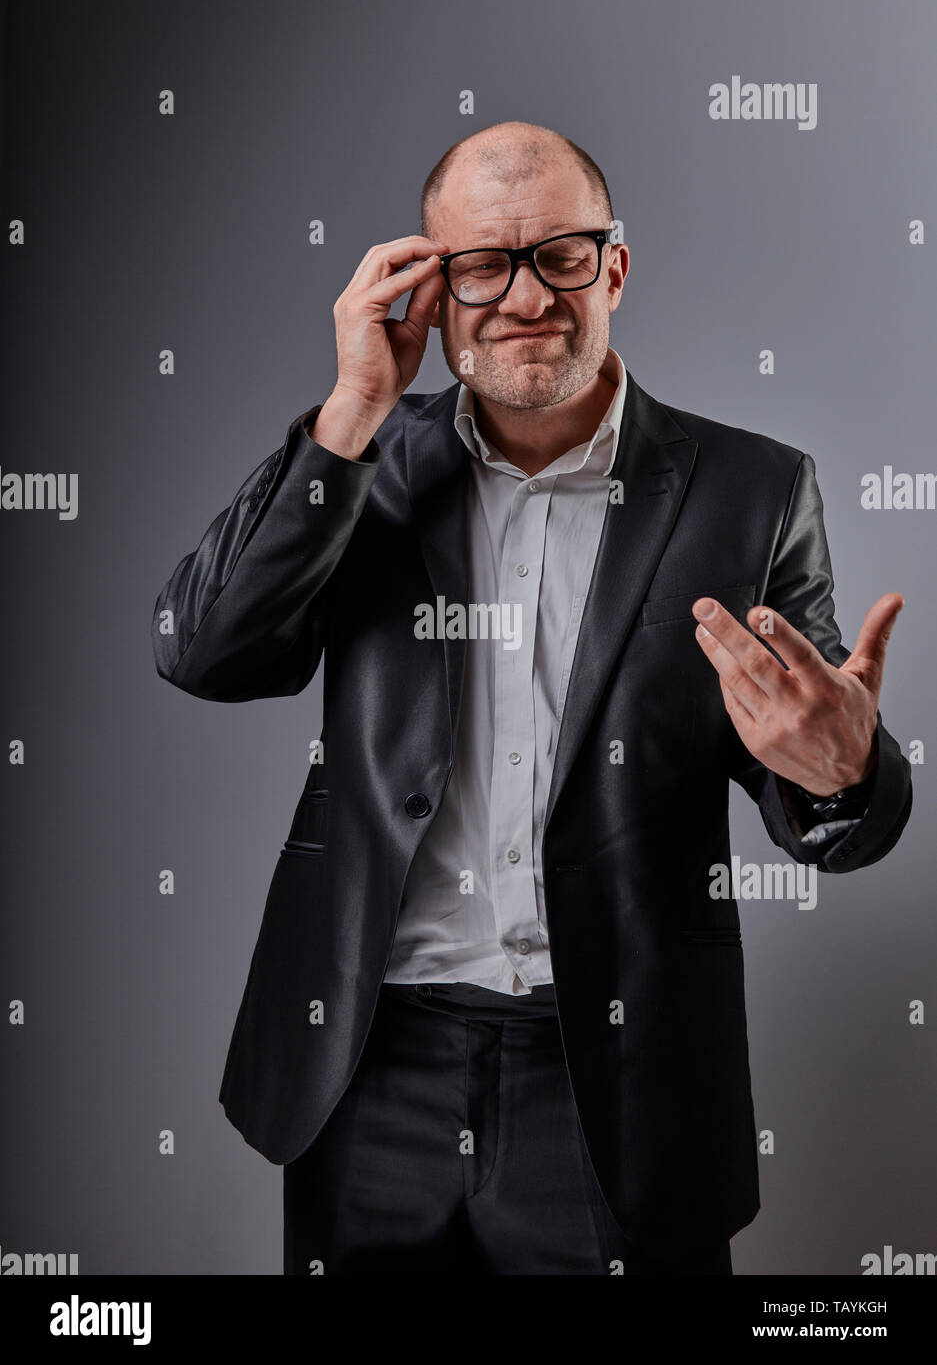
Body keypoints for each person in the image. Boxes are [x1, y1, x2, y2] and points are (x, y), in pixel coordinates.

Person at [151, 121, 912, 1275]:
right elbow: (206, 651)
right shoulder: (363, 464)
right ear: (431, 286)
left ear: (611, 267)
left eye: (559, 256)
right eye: (480, 265)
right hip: (370, 1063)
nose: (523, 296)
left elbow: (812, 772)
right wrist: (351, 405)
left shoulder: (751, 490)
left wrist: (842, 770)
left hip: (618, 1076)